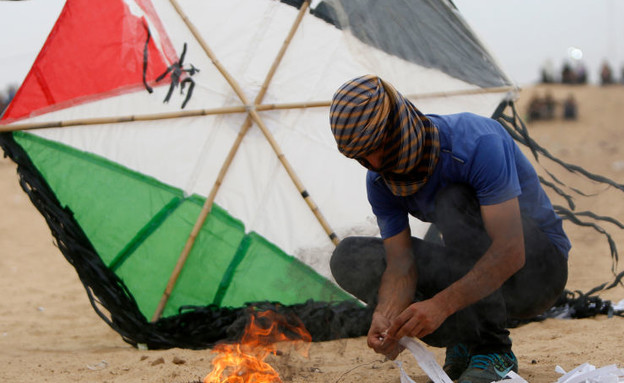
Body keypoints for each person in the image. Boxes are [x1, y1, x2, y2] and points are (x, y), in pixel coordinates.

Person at [328, 75, 570, 383]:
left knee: (453, 199)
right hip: (476, 271)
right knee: (349, 256)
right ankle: (465, 340)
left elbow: (511, 251)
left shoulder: (476, 143)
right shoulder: (379, 181)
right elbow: (401, 266)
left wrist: (441, 305)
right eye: (361, 156)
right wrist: (386, 315)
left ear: (397, 124)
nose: (374, 162)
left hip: (537, 271)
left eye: (377, 146)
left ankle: (494, 350)